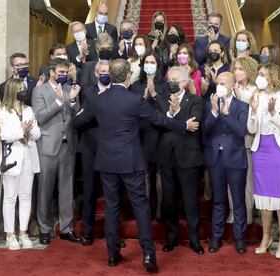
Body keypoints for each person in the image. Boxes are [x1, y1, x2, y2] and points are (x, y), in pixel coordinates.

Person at [74, 59, 199, 272]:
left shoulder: (97, 100)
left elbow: (77, 122)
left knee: (112, 208)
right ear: (127, 77)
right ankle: (148, 254)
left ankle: (112, 255)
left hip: (107, 161)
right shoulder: (134, 100)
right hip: (131, 161)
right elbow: (160, 119)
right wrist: (183, 125)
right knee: (140, 207)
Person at [248, 63, 280, 259]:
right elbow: (252, 129)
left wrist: (272, 113)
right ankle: (266, 237)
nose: (259, 77)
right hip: (261, 149)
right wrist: (253, 111)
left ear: (273, 76)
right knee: (263, 197)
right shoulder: (257, 95)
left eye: (262, 74)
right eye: (259, 74)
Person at [31, 58, 82, 245]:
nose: (64, 74)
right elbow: (40, 117)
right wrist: (59, 102)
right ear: (52, 72)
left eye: (66, 71)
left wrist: (74, 99)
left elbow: (76, 112)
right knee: (44, 189)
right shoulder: (39, 90)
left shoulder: (70, 88)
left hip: (67, 145)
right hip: (47, 146)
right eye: (61, 71)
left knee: (67, 190)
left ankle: (66, 228)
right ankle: (44, 228)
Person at [154, 66, 204, 255]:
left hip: (188, 157)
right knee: (169, 200)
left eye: (175, 79)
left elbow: (195, 124)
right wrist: (181, 122)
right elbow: (159, 121)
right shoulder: (161, 99)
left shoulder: (196, 100)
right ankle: (171, 238)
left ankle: (194, 240)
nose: (171, 82)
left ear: (185, 82)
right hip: (167, 156)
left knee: (191, 201)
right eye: (169, 79)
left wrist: (175, 114)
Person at [203, 72, 249, 254]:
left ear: (231, 86)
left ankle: (239, 238)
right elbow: (205, 130)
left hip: (235, 158)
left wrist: (227, 114)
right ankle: (216, 237)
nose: (219, 86)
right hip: (215, 158)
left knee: (238, 200)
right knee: (218, 200)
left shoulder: (242, 106)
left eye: (223, 83)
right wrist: (214, 112)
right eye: (217, 83)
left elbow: (241, 131)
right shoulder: (210, 104)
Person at [0, 78, 41, 250]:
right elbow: (5, 135)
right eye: (20, 88)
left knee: (26, 196)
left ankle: (23, 232)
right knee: (10, 197)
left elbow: (37, 133)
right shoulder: (3, 111)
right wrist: (21, 130)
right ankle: (10, 234)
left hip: (29, 155)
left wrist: (30, 131)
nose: (24, 90)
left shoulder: (29, 110)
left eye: (24, 87)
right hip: (12, 158)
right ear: (12, 91)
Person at [74, 60, 110, 246]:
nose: (105, 74)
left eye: (108, 71)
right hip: (89, 148)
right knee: (89, 192)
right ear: (96, 73)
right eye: (102, 71)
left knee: (112, 193)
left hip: (110, 148)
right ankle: (87, 231)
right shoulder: (88, 92)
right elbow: (80, 118)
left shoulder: (116, 91)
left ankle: (114, 234)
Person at [131, 52, 167, 219]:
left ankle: (160, 208)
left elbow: (166, 111)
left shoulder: (164, 85)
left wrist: (154, 94)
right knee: (144, 172)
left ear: (158, 65)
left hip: (159, 133)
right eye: (147, 62)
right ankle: (144, 210)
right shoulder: (136, 86)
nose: (150, 64)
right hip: (141, 133)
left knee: (159, 171)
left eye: (153, 62)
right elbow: (131, 111)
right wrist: (144, 96)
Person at [231, 56, 258, 225]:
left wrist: (241, 98)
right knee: (231, 181)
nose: (236, 72)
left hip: (248, 139)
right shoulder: (229, 87)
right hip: (232, 139)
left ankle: (247, 213)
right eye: (235, 69)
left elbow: (253, 115)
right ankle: (233, 212)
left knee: (248, 180)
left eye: (240, 68)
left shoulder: (255, 90)